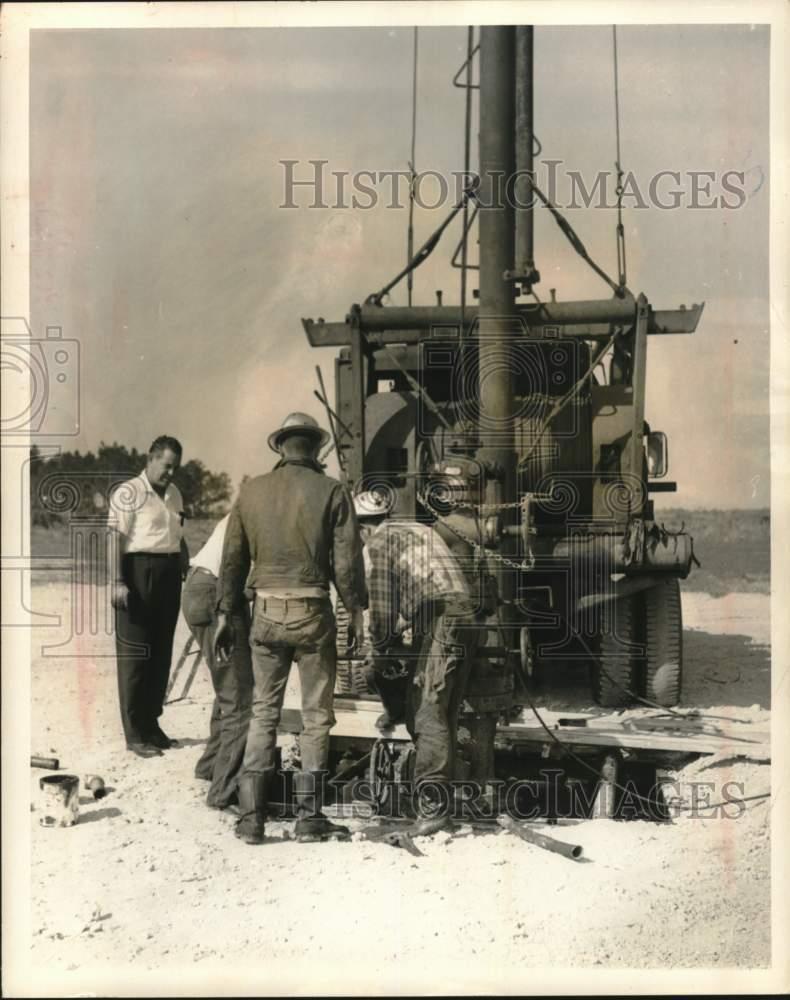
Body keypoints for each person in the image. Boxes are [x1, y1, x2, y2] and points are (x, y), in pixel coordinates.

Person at [214, 413, 367, 845]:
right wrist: (356, 613)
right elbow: (347, 563)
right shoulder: (331, 490)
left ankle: (251, 819)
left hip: (264, 612)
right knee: (316, 717)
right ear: (316, 449)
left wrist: (226, 613)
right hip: (313, 612)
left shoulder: (251, 491)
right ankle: (309, 819)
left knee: (263, 711)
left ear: (280, 448)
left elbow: (232, 560)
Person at [354, 489, 482, 835]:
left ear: (363, 528)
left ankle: (433, 810)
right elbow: (419, 595)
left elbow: (381, 616)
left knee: (428, 713)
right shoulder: (417, 528)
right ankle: (445, 801)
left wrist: (378, 654)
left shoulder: (376, 546)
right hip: (466, 617)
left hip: (443, 621)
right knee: (443, 714)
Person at [109, 436, 190, 758]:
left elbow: (178, 536)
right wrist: (116, 581)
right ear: (150, 458)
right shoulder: (129, 492)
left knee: (160, 654)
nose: (170, 472)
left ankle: (151, 725)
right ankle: (134, 733)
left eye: (175, 467)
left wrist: (185, 563)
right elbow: (113, 538)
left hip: (169, 575)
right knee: (135, 657)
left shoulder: (175, 494)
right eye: (166, 465)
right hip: (137, 572)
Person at [181, 513, 253, 810]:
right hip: (216, 592)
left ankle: (211, 765)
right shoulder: (268, 512)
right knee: (241, 699)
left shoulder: (253, 503)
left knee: (230, 684)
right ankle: (223, 791)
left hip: (200, 586)